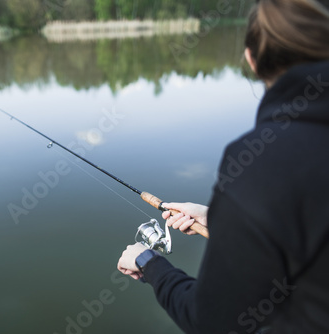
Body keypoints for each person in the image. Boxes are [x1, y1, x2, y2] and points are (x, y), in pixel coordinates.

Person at [117, 1, 329, 333]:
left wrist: (149, 264)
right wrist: (222, 219)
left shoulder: (262, 159)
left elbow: (214, 322)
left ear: (252, 60)